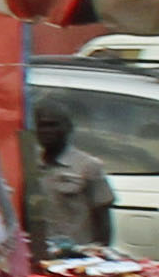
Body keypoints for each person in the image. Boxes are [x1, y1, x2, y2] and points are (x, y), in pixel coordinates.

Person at [22, 105, 116, 258]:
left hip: (78, 257)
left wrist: (99, 256)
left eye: (53, 125)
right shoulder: (29, 165)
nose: (46, 131)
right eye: (42, 125)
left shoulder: (88, 166)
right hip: (40, 255)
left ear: (68, 128)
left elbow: (103, 220)